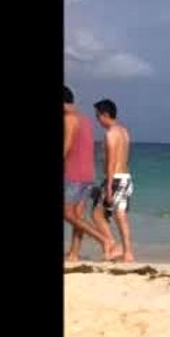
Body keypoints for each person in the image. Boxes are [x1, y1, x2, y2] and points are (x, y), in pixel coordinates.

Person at [64, 86, 118, 261]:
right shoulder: (85, 120)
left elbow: (66, 147)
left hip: (74, 174)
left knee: (68, 213)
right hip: (87, 174)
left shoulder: (69, 119)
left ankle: (105, 240)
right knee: (78, 216)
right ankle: (74, 253)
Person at [90, 99, 136, 263]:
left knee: (98, 214)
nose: (97, 120)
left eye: (97, 116)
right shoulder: (124, 132)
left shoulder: (110, 134)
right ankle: (125, 251)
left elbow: (111, 162)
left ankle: (115, 246)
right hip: (125, 177)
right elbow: (124, 158)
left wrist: (108, 186)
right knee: (118, 215)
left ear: (105, 115)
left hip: (115, 179)